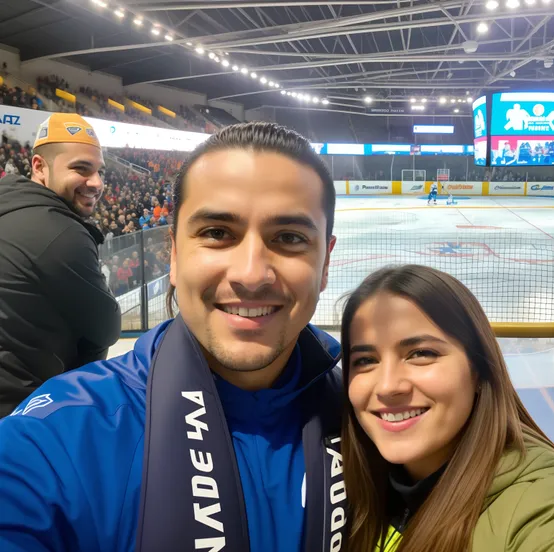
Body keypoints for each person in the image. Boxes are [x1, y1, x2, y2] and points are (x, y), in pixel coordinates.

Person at [0, 122, 346, 551]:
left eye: (290, 238)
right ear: (176, 255)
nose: (252, 275)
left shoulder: (376, 419)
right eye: (218, 233)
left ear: (326, 262)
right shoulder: (62, 437)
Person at [339, 265, 554, 552]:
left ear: (479, 370)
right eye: (366, 360)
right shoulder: (362, 490)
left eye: (422, 353)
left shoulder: (545, 509)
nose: (388, 386)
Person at [0, 113, 121, 417]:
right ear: (39, 166)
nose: (96, 183)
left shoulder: (9, 204)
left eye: (100, 171)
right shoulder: (62, 233)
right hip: (24, 416)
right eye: (80, 168)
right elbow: (106, 329)